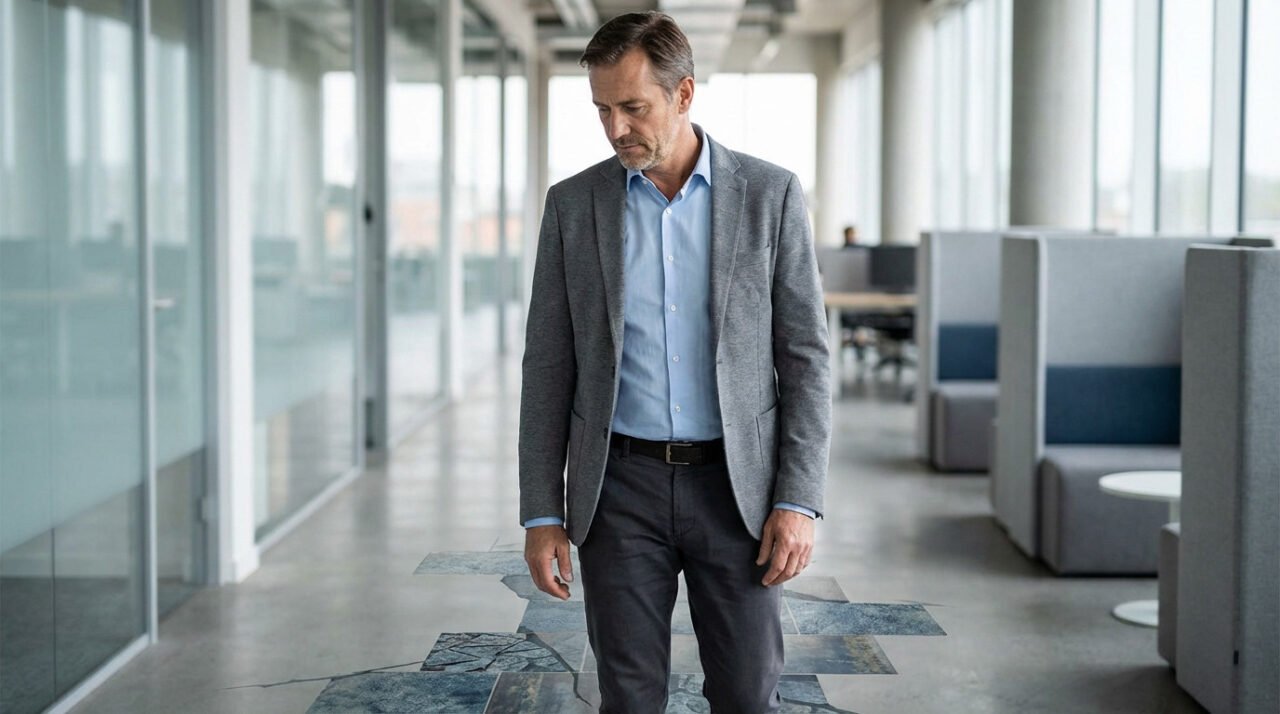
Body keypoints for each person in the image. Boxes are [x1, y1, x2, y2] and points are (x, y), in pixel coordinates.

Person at [519, 12, 831, 713]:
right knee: (628, 699)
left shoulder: (769, 194)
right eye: (603, 109)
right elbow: (547, 364)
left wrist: (797, 499)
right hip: (619, 489)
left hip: (738, 491)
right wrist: (542, 511)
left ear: (684, 93)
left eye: (634, 107)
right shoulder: (573, 206)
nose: (616, 127)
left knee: (747, 693)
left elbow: (806, 357)